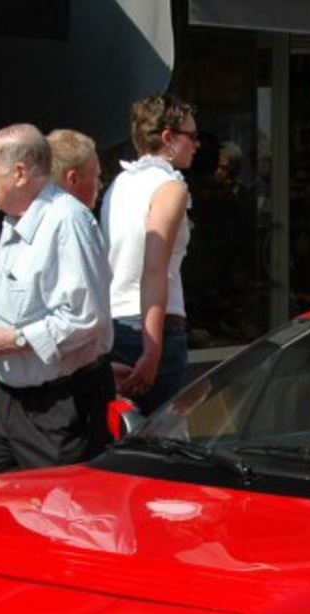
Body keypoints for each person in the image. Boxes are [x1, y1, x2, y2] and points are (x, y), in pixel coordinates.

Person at [0, 123, 112, 476]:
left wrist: (13, 340)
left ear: (20, 172)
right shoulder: (14, 221)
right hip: (8, 402)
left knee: (60, 515)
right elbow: (19, 292)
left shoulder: (68, 221)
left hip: (59, 408)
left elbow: (87, 318)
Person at [102, 95, 197, 414]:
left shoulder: (119, 183)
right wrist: (152, 350)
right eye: (192, 137)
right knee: (158, 446)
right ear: (168, 138)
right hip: (152, 326)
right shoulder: (171, 187)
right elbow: (154, 268)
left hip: (114, 323)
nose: (197, 145)